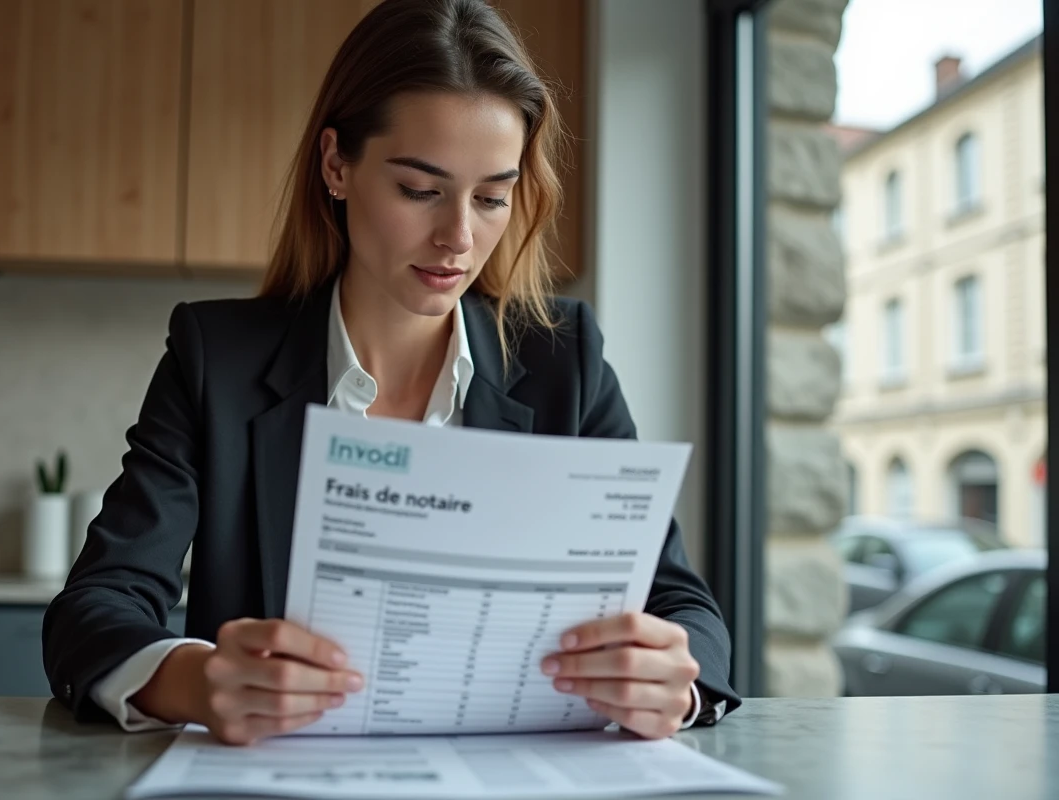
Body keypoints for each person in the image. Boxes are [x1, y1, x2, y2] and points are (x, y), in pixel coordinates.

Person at [42, 0, 740, 746]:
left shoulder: (562, 360)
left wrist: (677, 677)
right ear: (336, 164)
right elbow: (96, 606)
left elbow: (683, 607)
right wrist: (197, 681)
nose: (459, 238)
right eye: (420, 190)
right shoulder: (217, 358)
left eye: (493, 197)